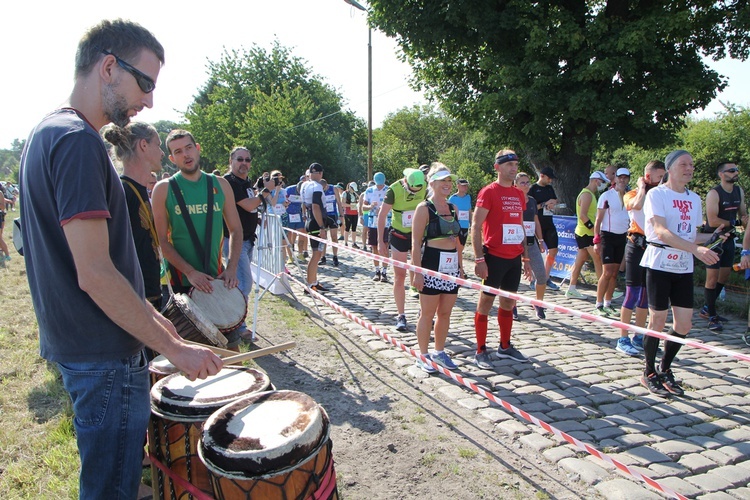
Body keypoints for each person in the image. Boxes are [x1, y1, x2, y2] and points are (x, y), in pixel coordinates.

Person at [18, 20, 222, 498]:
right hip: (104, 359)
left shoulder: (48, 131)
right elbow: (94, 274)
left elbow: (101, 268)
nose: (149, 101)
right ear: (109, 67)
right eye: (145, 82)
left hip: (90, 355)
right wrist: (174, 351)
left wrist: (165, 329)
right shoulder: (77, 141)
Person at [640, 150, 728, 397]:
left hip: (683, 265)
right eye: (683, 164)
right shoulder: (657, 194)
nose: (689, 168)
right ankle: (648, 372)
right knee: (657, 320)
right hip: (659, 263)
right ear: (670, 168)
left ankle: (665, 368)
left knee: (684, 324)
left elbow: (688, 235)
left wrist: (712, 238)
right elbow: (662, 231)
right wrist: (697, 249)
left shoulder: (694, 198)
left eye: (692, 164)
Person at [152, 130, 245, 349]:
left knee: (231, 352)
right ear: (172, 158)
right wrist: (190, 272)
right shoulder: (163, 190)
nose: (185, 154)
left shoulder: (220, 185)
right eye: (178, 151)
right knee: (190, 356)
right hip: (181, 283)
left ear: (198, 148)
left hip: (216, 280)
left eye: (188, 148)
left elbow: (236, 230)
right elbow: (162, 242)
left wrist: (231, 268)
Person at [472, 150, 531, 368]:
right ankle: (480, 350)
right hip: (493, 256)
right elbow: (476, 226)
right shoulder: (489, 192)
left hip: (514, 257)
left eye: (516, 164)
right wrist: (479, 260)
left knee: (508, 302)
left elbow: (521, 226)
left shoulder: (518, 194)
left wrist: (525, 258)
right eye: (509, 165)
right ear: (497, 167)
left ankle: (505, 346)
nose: (513, 168)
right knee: (485, 302)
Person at [102, 122, 164, 310]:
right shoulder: (122, 192)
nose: (161, 152)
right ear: (143, 145)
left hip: (149, 295)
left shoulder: (139, 189)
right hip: (134, 301)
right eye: (158, 145)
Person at [411, 165, 462, 372]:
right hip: (431, 261)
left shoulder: (453, 208)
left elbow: (458, 240)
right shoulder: (424, 208)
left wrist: (460, 266)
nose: (447, 184)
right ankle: (422, 355)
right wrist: (417, 271)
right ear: (432, 183)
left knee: (446, 313)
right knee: (427, 313)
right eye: (443, 181)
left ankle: (439, 352)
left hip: (451, 265)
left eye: (449, 181)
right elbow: (415, 243)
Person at [616, 160, 666, 356]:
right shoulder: (634, 193)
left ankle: (639, 335)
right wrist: (642, 187)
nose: (662, 180)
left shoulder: (661, 196)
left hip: (653, 247)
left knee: (646, 295)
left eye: (664, 176)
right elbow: (634, 206)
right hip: (636, 245)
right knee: (632, 293)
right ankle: (623, 337)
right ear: (648, 176)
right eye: (659, 177)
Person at [699, 161, 747, 331]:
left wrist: (743, 222)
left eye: (736, 170)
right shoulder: (714, 193)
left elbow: (744, 214)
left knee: (724, 276)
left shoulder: (738, 190)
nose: (735, 173)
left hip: (730, 238)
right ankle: (712, 316)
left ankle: (707, 308)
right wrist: (737, 222)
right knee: (711, 279)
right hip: (715, 239)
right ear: (721, 174)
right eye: (731, 170)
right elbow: (712, 220)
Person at [378, 167, 427, 331]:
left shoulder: (425, 186)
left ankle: (424, 312)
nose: (415, 192)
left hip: (418, 236)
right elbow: (382, 214)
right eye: (412, 189)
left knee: (422, 275)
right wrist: (381, 241)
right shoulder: (394, 190)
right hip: (399, 235)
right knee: (400, 276)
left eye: (418, 190)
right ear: (406, 182)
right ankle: (401, 315)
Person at [592, 168, 631, 316]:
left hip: (622, 237)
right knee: (606, 272)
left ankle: (608, 303)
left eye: (625, 178)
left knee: (615, 273)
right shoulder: (606, 196)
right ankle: (598, 304)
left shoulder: (629, 196)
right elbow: (598, 219)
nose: (622, 180)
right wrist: (597, 240)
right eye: (619, 177)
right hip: (607, 235)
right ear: (614, 179)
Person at [565, 172, 607, 299]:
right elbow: (583, 215)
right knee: (598, 259)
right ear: (596, 180)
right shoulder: (587, 194)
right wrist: (595, 230)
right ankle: (603, 289)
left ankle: (571, 288)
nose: (603, 185)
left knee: (580, 261)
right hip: (586, 233)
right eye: (602, 182)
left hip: (584, 232)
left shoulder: (590, 194)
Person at [515, 172, 549, 319]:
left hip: (531, 242)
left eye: (528, 182)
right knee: (514, 279)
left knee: (541, 276)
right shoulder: (512, 200)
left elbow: (536, 221)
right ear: (515, 184)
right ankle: (512, 306)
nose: (526, 185)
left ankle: (538, 303)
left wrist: (541, 240)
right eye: (522, 182)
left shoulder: (532, 201)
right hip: (515, 243)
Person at [528, 167, 560, 290]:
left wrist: (553, 203)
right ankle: (533, 278)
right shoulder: (533, 189)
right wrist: (543, 204)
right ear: (542, 176)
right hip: (536, 224)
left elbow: (554, 200)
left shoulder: (549, 188)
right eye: (549, 177)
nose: (550, 180)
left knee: (553, 250)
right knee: (534, 253)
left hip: (549, 222)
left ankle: (546, 277)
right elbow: (530, 206)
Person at [300, 162, 328, 293]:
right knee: (316, 254)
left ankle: (314, 281)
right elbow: (316, 206)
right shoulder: (317, 187)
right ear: (321, 173)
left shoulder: (305, 185)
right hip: (316, 222)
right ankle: (310, 284)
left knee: (317, 253)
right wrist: (322, 226)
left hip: (310, 219)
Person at [364, 173, 390, 282]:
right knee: (374, 247)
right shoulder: (369, 191)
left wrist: (384, 210)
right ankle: (377, 270)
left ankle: (384, 271)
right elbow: (363, 207)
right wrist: (370, 206)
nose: (380, 185)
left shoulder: (389, 190)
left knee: (385, 246)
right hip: (373, 222)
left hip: (386, 222)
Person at [319, 178, 343, 266]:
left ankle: (335, 256)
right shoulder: (318, 189)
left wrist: (341, 215)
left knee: (334, 236)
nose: (323, 190)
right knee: (323, 237)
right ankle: (323, 257)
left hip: (333, 215)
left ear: (326, 185)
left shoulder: (333, 189)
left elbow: (339, 203)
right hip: (323, 216)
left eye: (324, 188)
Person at [448, 177, 473, 260]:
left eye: (466, 186)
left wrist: (471, 224)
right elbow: (449, 213)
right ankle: (457, 266)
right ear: (458, 186)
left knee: (461, 247)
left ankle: (459, 266)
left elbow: (469, 211)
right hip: (455, 227)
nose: (465, 187)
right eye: (463, 186)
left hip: (465, 226)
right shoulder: (452, 198)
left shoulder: (468, 197)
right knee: (455, 247)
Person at [284, 175, 307, 263]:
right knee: (289, 236)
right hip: (289, 215)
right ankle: (290, 256)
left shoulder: (305, 191)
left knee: (302, 234)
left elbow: (304, 203)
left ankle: (300, 253)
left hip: (299, 215)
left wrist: (304, 214)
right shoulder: (289, 190)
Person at [343, 182, 360, 248]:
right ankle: (346, 242)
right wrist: (351, 205)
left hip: (355, 213)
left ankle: (354, 243)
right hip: (348, 213)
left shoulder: (355, 194)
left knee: (354, 228)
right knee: (347, 227)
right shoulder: (345, 193)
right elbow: (343, 203)